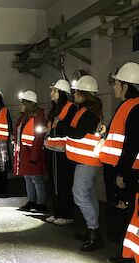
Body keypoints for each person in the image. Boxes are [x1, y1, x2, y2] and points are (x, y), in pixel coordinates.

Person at [55, 75, 103, 251]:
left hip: (87, 161)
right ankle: (91, 229)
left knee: (79, 195)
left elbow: (78, 133)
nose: (73, 95)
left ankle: (94, 232)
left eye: (76, 92)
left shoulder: (89, 113)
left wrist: (61, 126)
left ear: (83, 94)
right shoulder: (87, 110)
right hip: (85, 160)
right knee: (88, 195)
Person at [98, 62, 139, 263]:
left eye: (116, 83)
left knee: (127, 213)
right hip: (121, 169)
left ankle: (128, 257)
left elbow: (132, 144)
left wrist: (122, 173)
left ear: (126, 85)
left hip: (129, 172)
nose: (113, 87)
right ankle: (124, 254)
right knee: (123, 213)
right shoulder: (128, 106)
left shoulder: (135, 107)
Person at [44, 79, 77, 225]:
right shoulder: (54, 109)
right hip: (52, 150)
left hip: (63, 152)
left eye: (55, 91)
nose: (51, 93)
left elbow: (68, 127)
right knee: (54, 183)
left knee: (63, 183)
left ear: (63, 93)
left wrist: (56, 126)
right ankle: (57, 212)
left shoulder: (71, 108)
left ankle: (67, 214)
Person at [14, 90, 47, 212]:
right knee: (28, 178)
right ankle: (31, 201)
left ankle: (41, 204)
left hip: (33, 154)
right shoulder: (24, 118)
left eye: (22, 103)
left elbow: (38, 139)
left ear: (29, 104)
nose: (20, 106)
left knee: (36, 179)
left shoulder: (38, 118)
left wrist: (34, 156)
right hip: (24, 154)